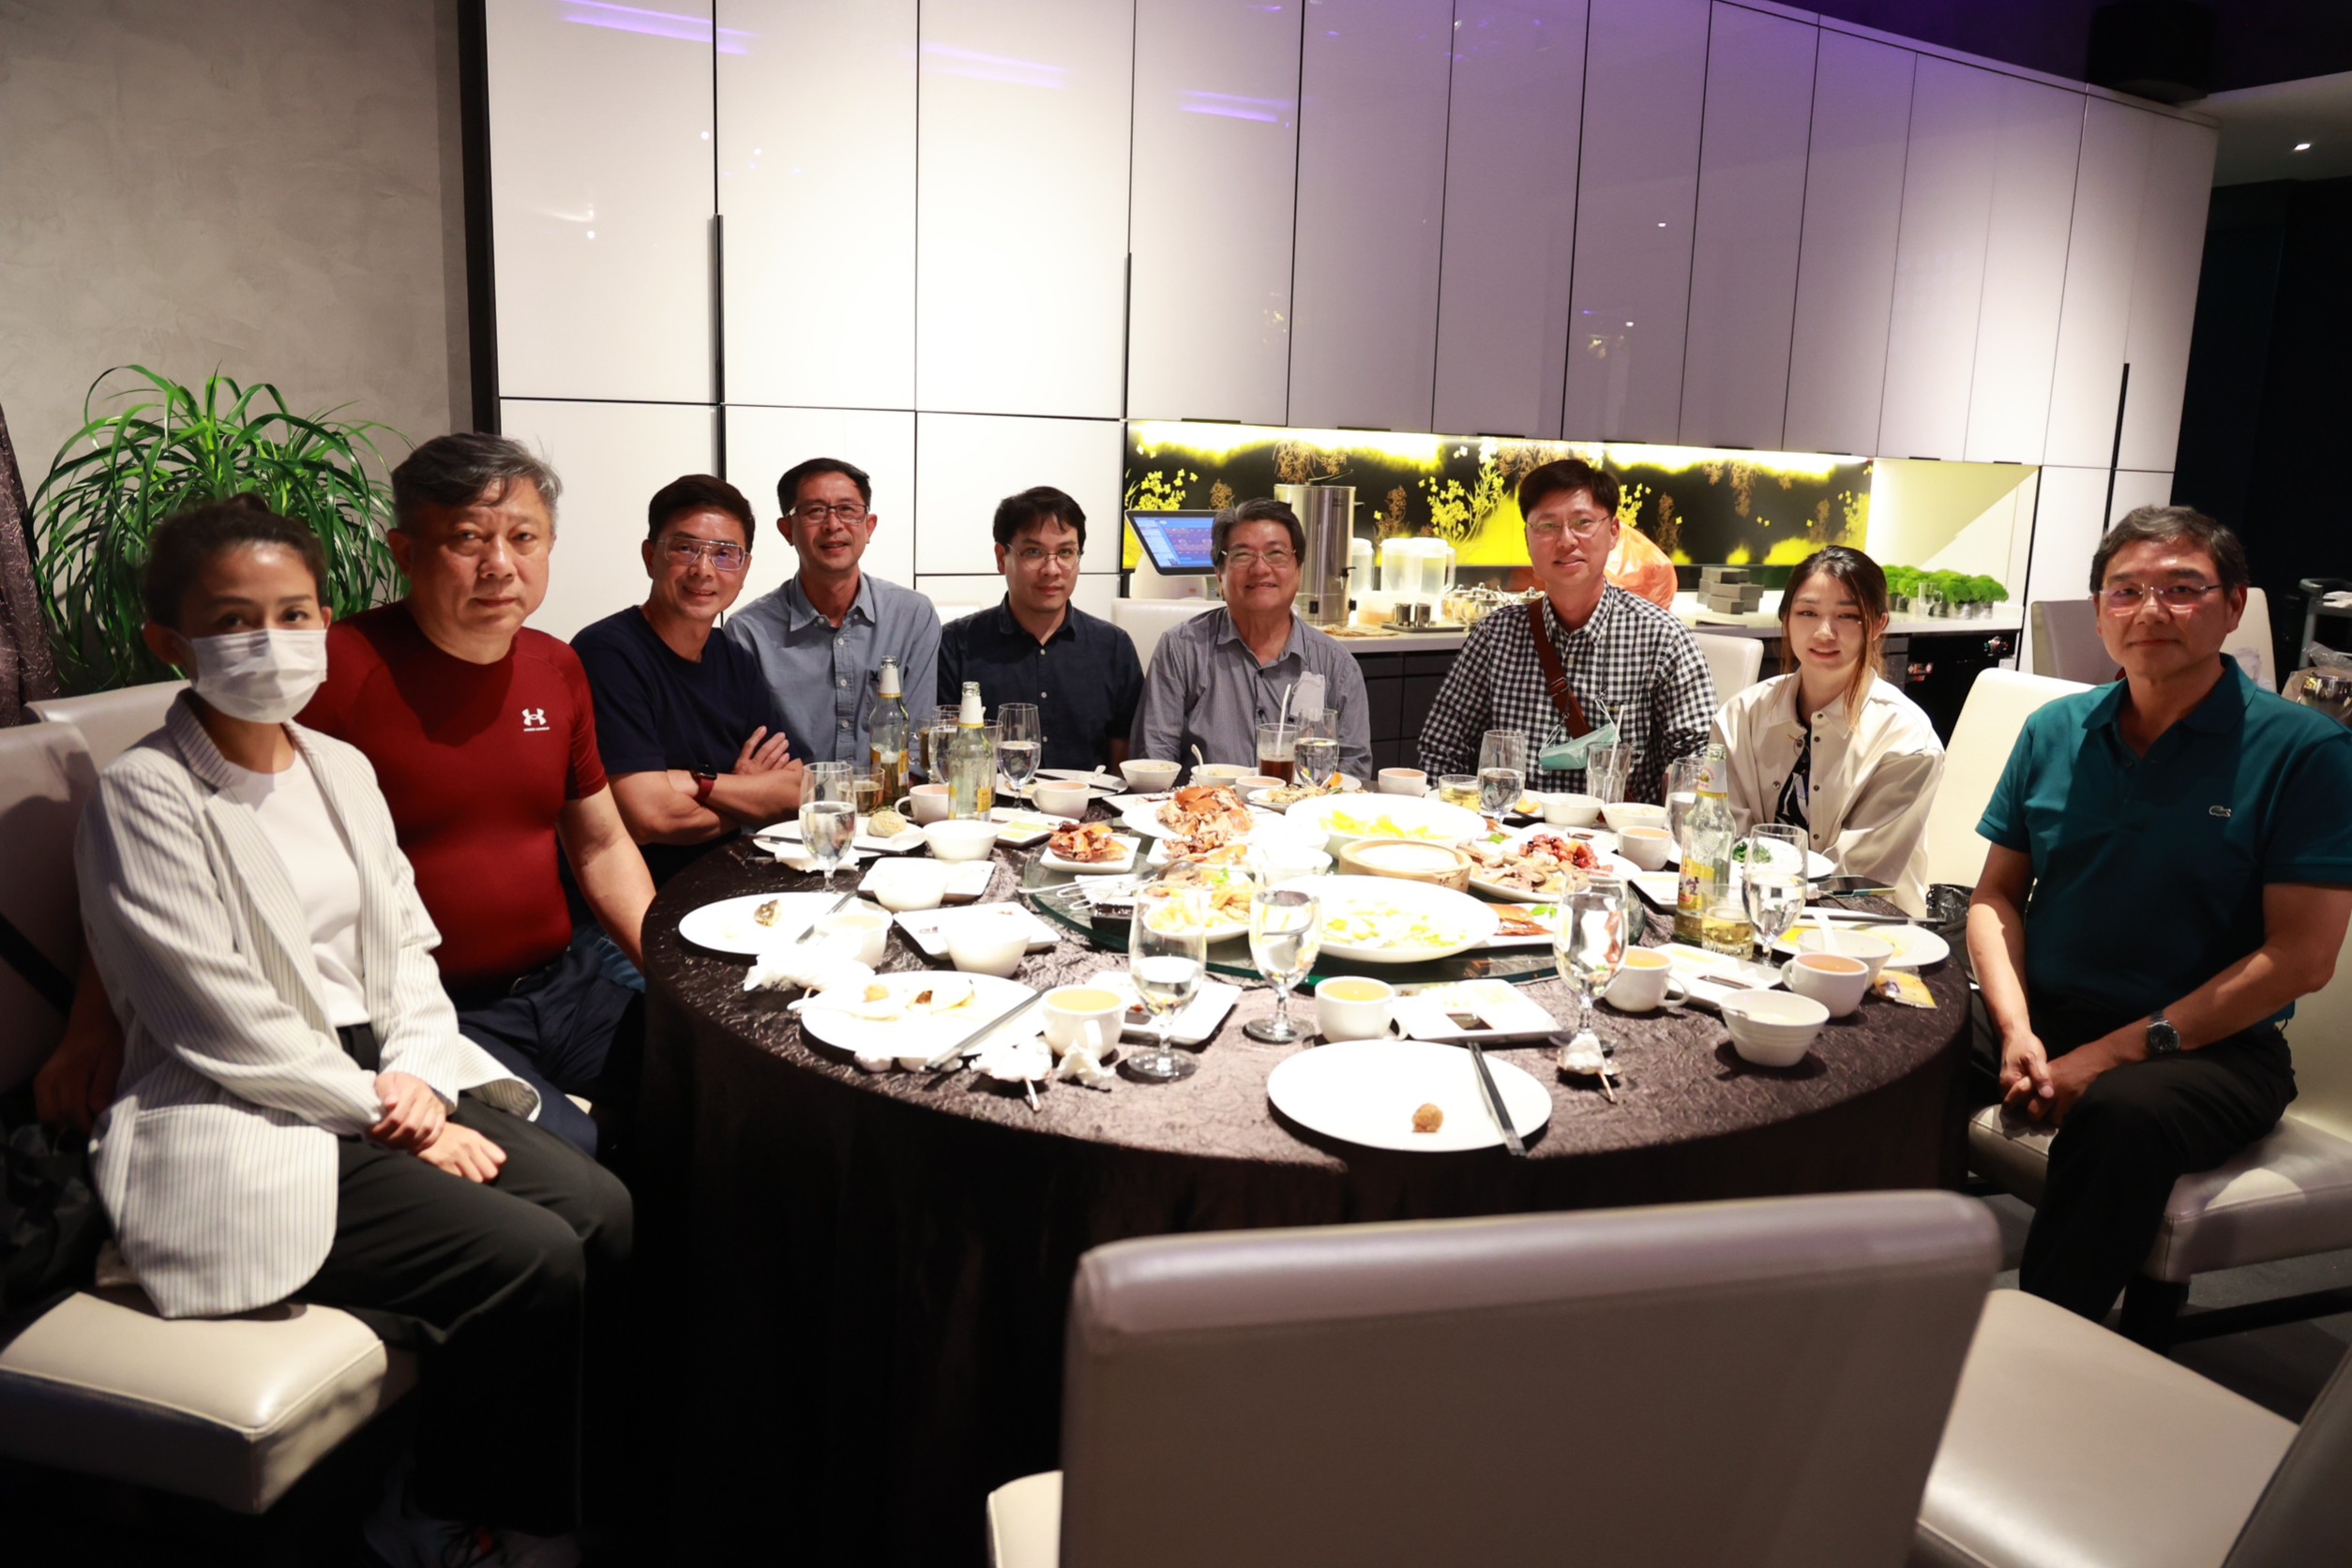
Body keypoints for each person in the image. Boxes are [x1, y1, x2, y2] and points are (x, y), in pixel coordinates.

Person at [76, 499, 629, 1564]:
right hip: (245, 1099)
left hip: (386, 1071)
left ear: (324, 621)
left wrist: (418, 1071)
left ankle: (538, 1479)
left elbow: (405, 951)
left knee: (602, 1208)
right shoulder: (143, 793)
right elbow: (212, 1014)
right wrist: (387, 1108)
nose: (271, 641)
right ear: (169, 643)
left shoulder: (338, 766)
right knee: (527, 1253)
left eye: (293, 614)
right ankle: (440, 1511)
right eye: (233, 620)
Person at [1970, 506, 2352, 1323]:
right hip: (2049, 1016)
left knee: (2122, 1115)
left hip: (2214, 1049)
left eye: (2182, 589)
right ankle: (1865, 1303)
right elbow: (1994, 896)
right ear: (2099, 610)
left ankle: (2042, 1348)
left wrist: (2107, 1056)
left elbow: (2303, 957)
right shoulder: (2055, 730)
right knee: (1895, 1037)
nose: (2150, 610)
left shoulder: (2304, 752)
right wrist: (2016, 1029)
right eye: (2125, 590)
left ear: (2234, 605)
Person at [300, 433, 655, 1159]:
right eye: (468, 539)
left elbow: (600, 844)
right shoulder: (338, 671)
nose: (500, 565)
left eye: (523, 538)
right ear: (405, 552)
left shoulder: (556, 666)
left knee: (722, 1087)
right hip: (434, 1014)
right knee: (583, 1156)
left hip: (567, 985)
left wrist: (668, 973)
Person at [1419, 459, 1714, 801]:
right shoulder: (1496, 637)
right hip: (1508, 827)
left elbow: (1699, 764)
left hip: (1615, 831)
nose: (1566, 540)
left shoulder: (1662, 639)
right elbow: (1441, 747)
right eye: (1547, 526)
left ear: (1613, 532)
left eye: (1582, 523)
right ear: (1528, 539)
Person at [573, 474, 800, 885]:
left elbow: (794, 792)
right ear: (650, 557)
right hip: (636, 899)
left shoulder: (735, 659)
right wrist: (745, 793)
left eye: (725, 554)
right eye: (685, 548)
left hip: (732, 885)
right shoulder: (607, 653)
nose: (703, 570)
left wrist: (696, 783)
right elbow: (651, 817)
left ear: (744, 569)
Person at [1710, 546, 1943, 914]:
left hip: (1865, 924)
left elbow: (1859, 877)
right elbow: (1725, 837)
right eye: (1808, 612)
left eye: (1848, 616)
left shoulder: (1906, 739)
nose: (1824, 632)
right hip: (1748, 910)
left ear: (1878, 625)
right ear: (1786, 618)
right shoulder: (1740, 716)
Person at [1128, 497, 1374, 780]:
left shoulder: (1336, 666)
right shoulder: (1181, 650)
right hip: (1204, 807)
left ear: (1299, 571)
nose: (1260, 569)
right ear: (1219, 574)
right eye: (1242, 555)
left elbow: (1353, 773)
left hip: (1305, 808)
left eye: (1276, 554)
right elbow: (1153, 763)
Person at [723, 456, 941, 765]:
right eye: (815, 511)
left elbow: (918, 750)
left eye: (848, 510)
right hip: (791, 797)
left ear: (869, 526)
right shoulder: (748, 632)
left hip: (891, 795)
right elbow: (753, 760)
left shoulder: (912, 616)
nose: (833, 525)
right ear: (787, 530)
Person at [936, 486, 1143, 772]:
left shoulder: (1113, 647)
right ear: (1001, 558)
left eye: (1066, 552)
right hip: (989, 800)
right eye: (1034, 552)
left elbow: (1126, 764)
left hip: (1091, 801)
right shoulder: (956, 645)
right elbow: (944, 758)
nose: (1052, 569)